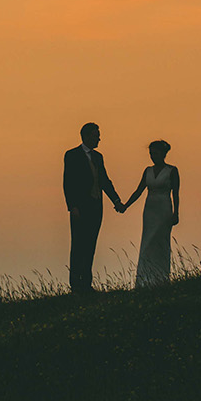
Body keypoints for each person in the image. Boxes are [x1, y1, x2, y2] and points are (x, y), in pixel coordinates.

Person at [62, 122, 122, 294]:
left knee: (90, 245)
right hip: (80, 208)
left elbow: (104, 180)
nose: (99, 139)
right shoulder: (72, 155)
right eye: (96, 135)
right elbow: (68, 182)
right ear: (86, 136)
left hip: (96, 207)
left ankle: (86, 284)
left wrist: (116, 200)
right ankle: (75, 285)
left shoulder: (98, 157)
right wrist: (72, 206)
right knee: (78, 245)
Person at [119, 139, 180, 287]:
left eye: (156, 153)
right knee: (147, 242)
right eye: (151, 154)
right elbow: (139, 191)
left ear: (163, 154)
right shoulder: (148, 171)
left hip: (164, 209)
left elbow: (176, 194)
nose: (153, 156)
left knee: (160, 243)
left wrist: (176, 213)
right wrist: (125, 205)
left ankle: (160, 278)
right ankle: (145, 279)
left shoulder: (172, 171)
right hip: (150, 210)